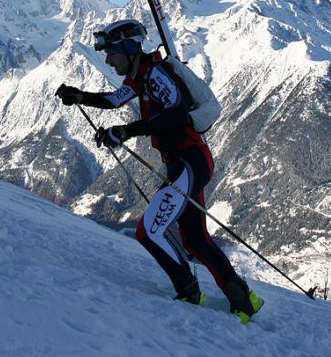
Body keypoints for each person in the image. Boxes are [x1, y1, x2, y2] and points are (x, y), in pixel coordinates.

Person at [54, 19, 263, 324]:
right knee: (195, 240)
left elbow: (175, 112)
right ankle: (244, 302)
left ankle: (189, 293)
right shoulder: (141, 76)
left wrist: (126, 131)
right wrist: (81, 96)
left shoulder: (156, 74)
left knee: (148, 230)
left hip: (189, 162)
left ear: (127, 47)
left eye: (111, 53)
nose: (108, 60)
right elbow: (114, 100)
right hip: (187, 163)